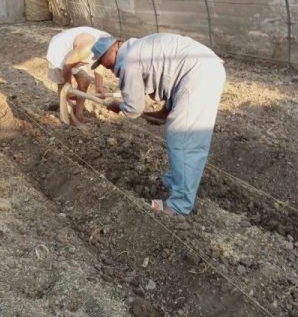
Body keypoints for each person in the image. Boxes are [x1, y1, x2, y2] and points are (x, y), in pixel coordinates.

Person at [91, 33, 226, 217]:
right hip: (200, 69)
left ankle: (179, 206)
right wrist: (161, 114)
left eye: (102, 60)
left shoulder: (128, 61)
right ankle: (174, 184)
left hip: (198, 74)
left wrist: (119, 106)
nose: (105, 67)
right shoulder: (136, 49)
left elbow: (133, 109)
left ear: (114, 47)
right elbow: (168, 76)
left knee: (183, 139)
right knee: (180, 136)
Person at [47, 26, 109, 122]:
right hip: (59, 51)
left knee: (84, 82)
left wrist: (99, 86)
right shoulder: (87, 48)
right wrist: (69, 86)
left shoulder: (108, 44)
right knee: (63, 87)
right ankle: (68, 116)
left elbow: (101, 63)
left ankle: (78, 114)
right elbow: (67, 66)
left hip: (76, 52)